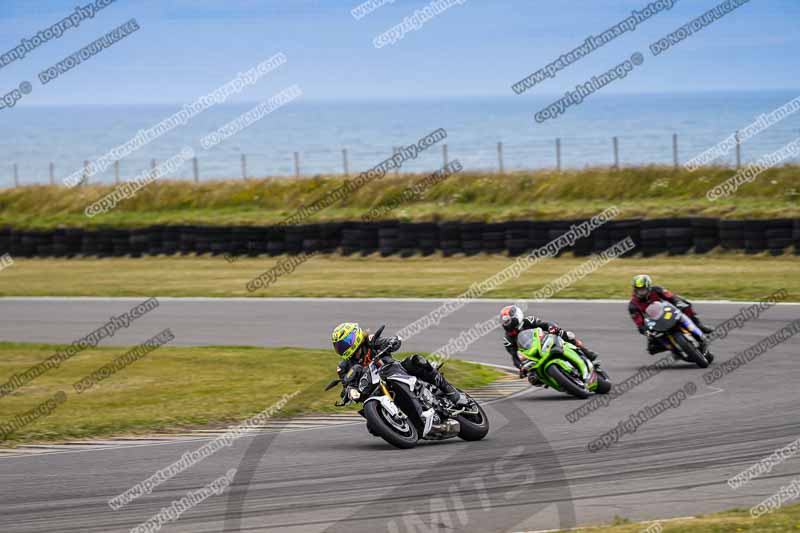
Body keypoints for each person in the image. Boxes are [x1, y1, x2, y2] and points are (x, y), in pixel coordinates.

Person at [331, 322, 468, 406]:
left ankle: (451, 392)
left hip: (394, 369)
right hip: (374, 390)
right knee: (372, 427)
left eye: (344, 343)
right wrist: (347, 393)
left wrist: (392, 342)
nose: (342, 347)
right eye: (339, 346)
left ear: (355, 336)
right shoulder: (343, 367)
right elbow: (346, 386)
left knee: (416, 360)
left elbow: (387, 341)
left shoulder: (370, 341)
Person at [500, 305, 604, 379]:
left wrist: (552, 328)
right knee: (533, 379)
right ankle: (557, 380)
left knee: (567, 335)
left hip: (544, 341)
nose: (506, 323)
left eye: (507, 320)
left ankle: (588, 354)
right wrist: (521, 367)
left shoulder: (528, 321)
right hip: (532, 356)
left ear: (516, 317)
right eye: (504, 321)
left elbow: (545, 324)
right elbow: (514, 357)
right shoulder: (507, 339)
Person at [628, 274, 714, 356]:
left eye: (643, 289)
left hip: (667, 312)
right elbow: (639, 322)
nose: (641, 292)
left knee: (685, 304)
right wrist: (645, 330)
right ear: (635, 289)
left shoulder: (657, 289)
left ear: (649, 287)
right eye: (639, 290)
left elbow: (671, 297)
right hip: (652, 322)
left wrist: (678, 302)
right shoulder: (633, 305)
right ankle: (673, 349)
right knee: (652, 347)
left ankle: (699, 325)